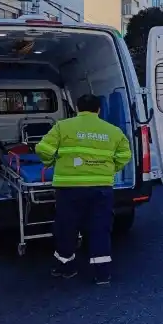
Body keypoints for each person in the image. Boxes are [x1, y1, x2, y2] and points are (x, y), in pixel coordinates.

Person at [36, 94, 132, 285]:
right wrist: (110, 169)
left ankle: (66, 268)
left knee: (67, 228)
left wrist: (51, 162)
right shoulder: (113, 131)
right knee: (100, 228)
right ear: (99, 110)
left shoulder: (63, 126)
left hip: (69, 188)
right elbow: (124, 155)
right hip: (101, 188)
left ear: (77, 108)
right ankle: (102, 274)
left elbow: (43, 149)